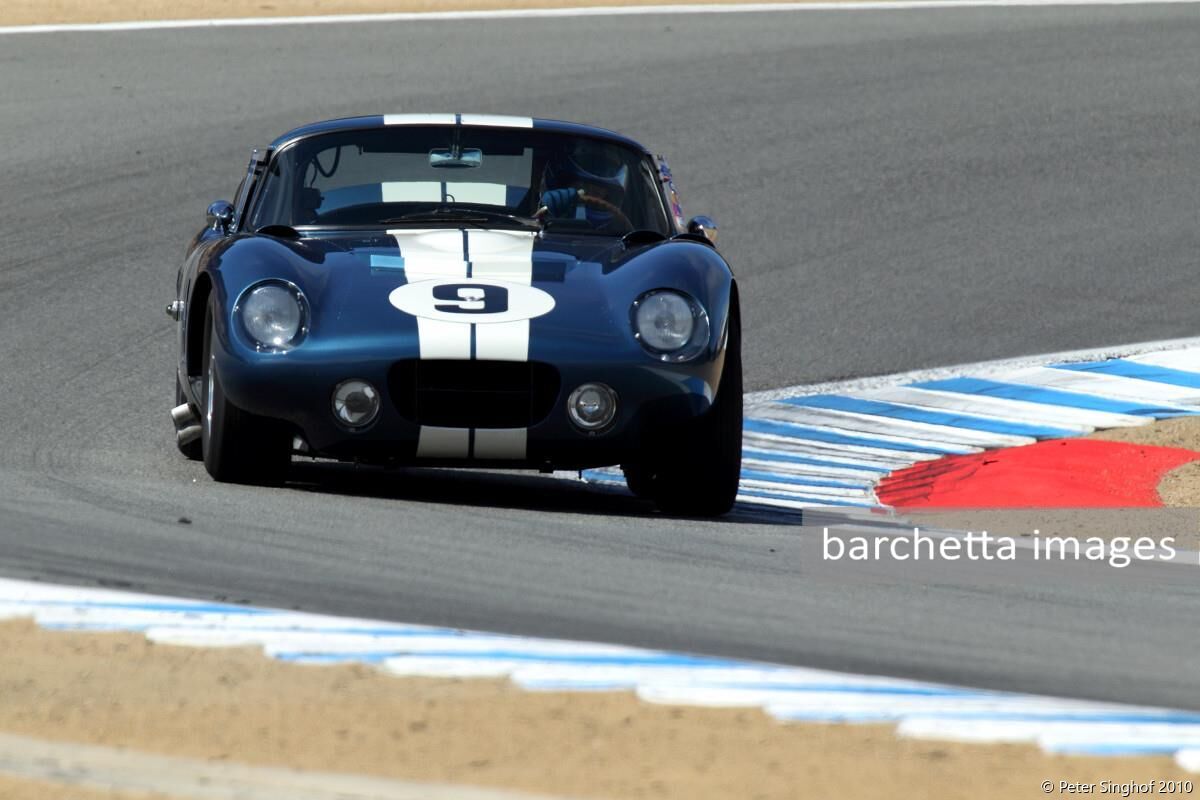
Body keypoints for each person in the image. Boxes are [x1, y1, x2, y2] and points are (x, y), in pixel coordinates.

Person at [537, 141, 629, 227]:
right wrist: (546, 210)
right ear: (565, 183)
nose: (592, 191)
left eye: (599, 187)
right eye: (583, 184)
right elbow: (531, 224)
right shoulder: (550, 209)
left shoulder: (622, 232)